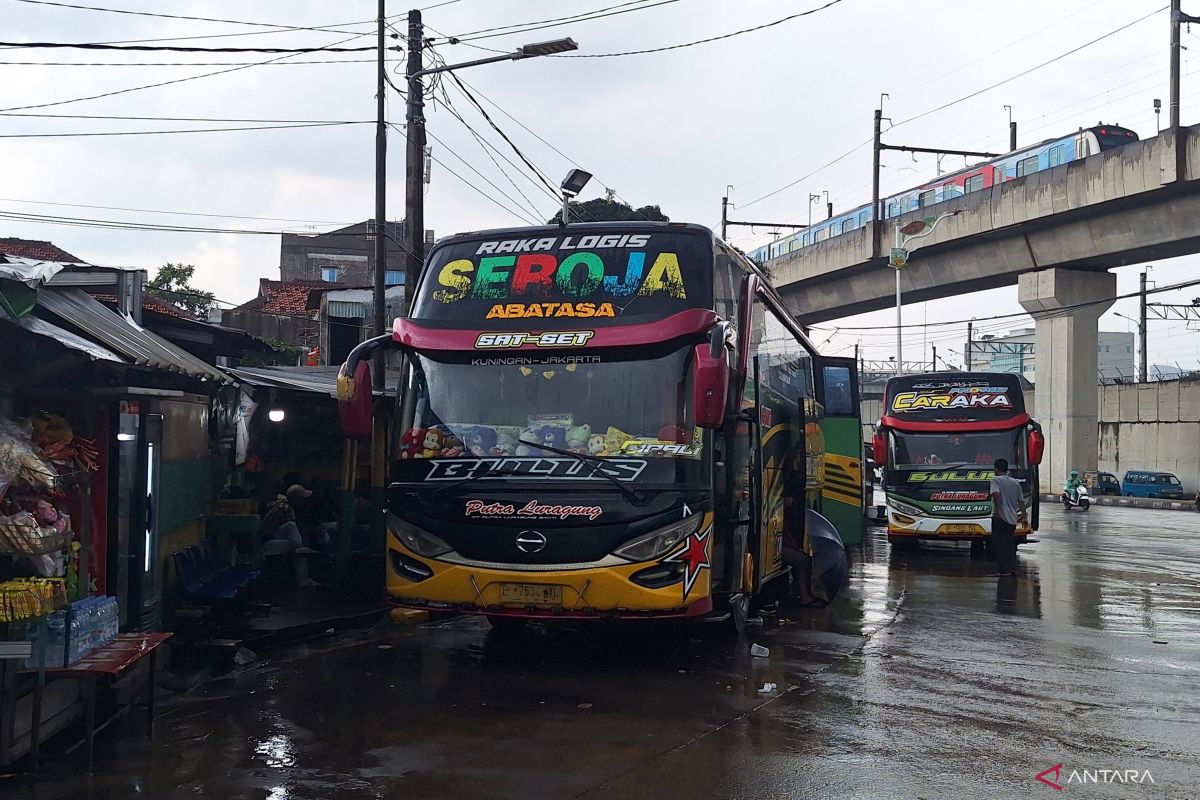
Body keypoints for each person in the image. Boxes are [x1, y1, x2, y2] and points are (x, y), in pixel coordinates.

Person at [261, 484, 322, 587]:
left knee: (297, 544)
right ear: (296, 499)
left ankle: (299, 548)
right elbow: (291, 529)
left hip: (273, 538)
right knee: (292, 529)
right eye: (302, 499)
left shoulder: (280, 503)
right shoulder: (286, 508)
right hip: (266, 544)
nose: (304, 502)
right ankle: (303, 579)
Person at [989, 458, 1026, 577]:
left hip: (1000, 518)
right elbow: (1021, 501)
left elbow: (996, 495)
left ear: (996, 469)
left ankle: (1004, 571)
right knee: (1010, 545)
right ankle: (1012, 568)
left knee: (999, 545)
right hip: (1012, 519)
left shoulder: (995, 480)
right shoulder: (1015, 483)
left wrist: (997, 512)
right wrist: (1024, 516)